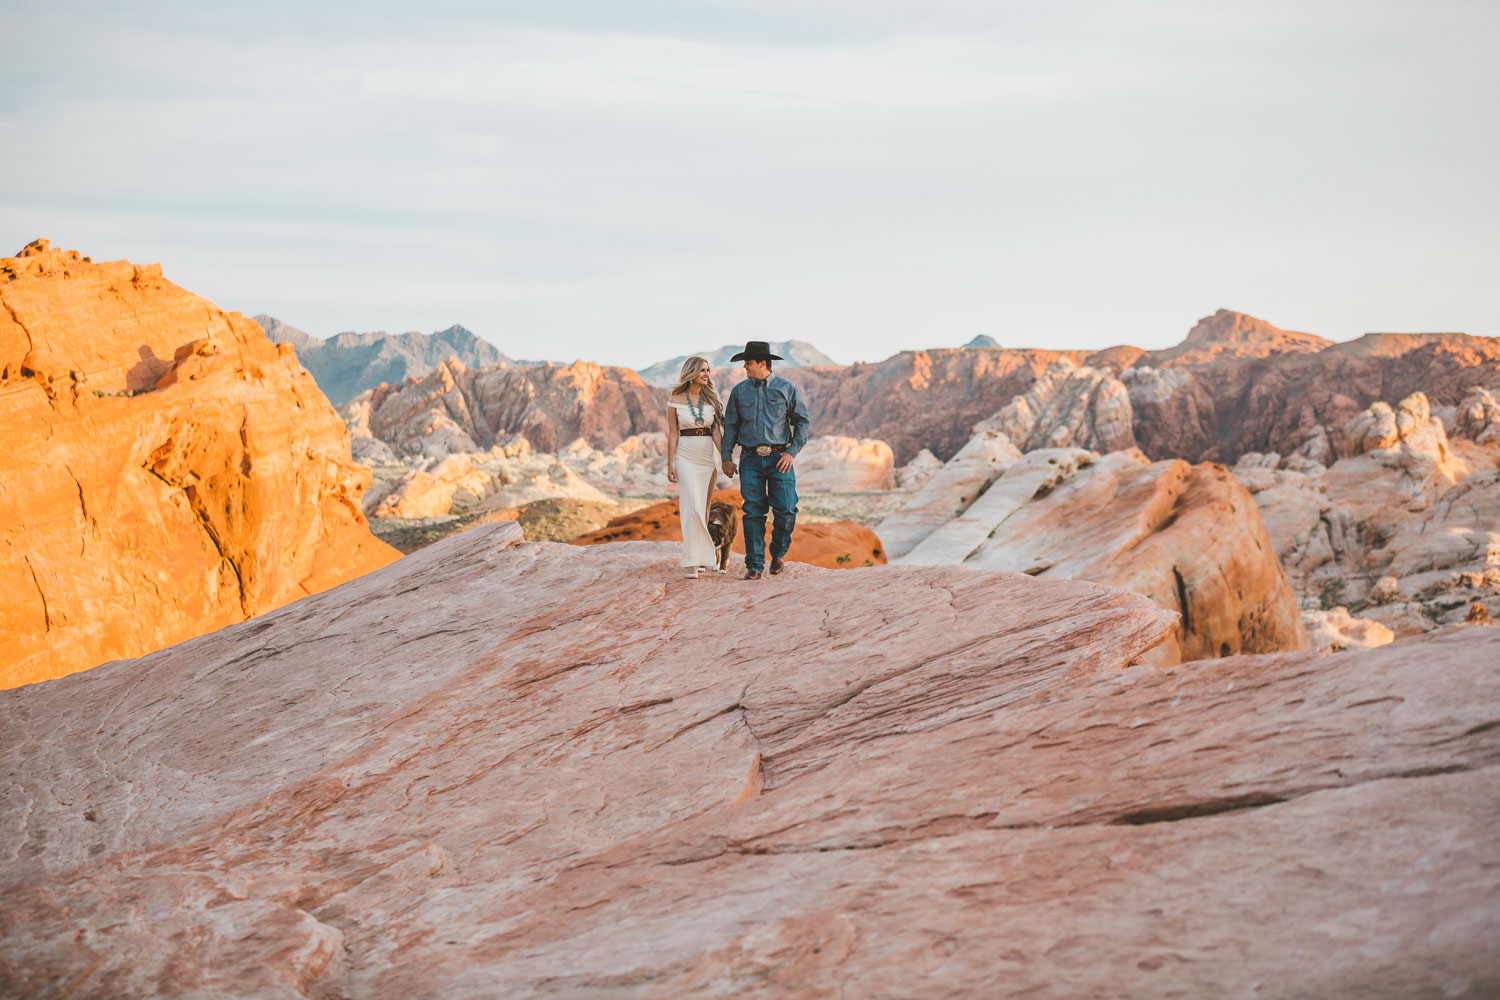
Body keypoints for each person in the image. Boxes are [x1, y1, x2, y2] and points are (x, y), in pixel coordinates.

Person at [720, 341, 810, 580]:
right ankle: (755, 565)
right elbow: (731, 425)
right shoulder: (739, 391)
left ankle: (778, 553)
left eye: (748, 363)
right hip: (749, 459)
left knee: (787, 509)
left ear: (763, 363)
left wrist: (791, 452)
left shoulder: (786, 389)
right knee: (753, 512)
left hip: (780, 458)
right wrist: (726, 457)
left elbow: (802, 422)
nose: (745, 367)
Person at [666, 356, 724, 579]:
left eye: (708, 370)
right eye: (702, 370)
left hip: (707, 458)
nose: (706, 374)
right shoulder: (675, 400)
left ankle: (703, 559)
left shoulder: (712, 400)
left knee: (705, 509)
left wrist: (725, 459)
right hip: (685, 456)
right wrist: (670, 463)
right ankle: (692, 561)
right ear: (691, 373)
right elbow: (672, 433)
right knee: (692, 508)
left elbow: (716, 433)